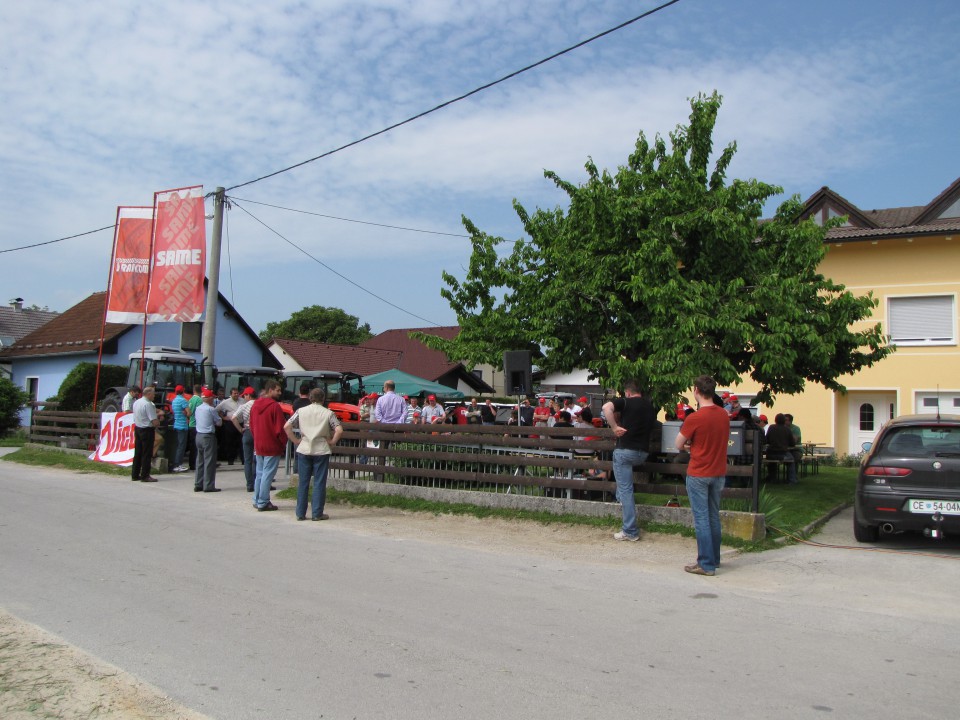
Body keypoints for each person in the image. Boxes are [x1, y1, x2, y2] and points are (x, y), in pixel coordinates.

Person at [675, 375, 731, 576]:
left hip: (699, 471)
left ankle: (705, 563)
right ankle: (714, 559)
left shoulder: (695, 418)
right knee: (713, 516)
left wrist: (691, 445)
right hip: (718, 470)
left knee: (701, 518)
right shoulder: (723, 415)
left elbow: (678, 444)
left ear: (696, 390)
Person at [601, 381, 656, 542]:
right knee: (624, 489)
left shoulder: (625, 401)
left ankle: (630, 530)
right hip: (643, 453)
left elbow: (606, 408)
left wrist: (614, 427)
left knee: (625, 490)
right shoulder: (649, 406)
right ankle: (622, 503)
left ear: (628, 393)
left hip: (625, 451)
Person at [284, 387, 343, 521]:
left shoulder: (301, 411)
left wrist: (296, 440)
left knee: (303, 482)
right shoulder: (328, 413)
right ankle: (317, 513)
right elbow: (339, 429)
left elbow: (287, 426)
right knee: (319, 482)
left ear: (310, 398)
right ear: (323, 399)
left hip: (304, 448)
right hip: (321, 448)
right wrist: (332, 441)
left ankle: (300, 513)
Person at [250, 379, 286, 512]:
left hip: (259, 443)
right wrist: (283, 443)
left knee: (260, 473)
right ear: (270, 390)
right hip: (272, 444)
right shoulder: (274, 406)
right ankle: (263, 501)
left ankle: (256, 498)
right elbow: (280, 429)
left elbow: (252, 425)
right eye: (277, 390)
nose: (279, 393)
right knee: (267, 474)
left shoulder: (255, 405)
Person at [193, 388, 222, 492]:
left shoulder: (198, 408)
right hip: (208, 436)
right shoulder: (211, 409)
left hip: (199, 435)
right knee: (209, 461)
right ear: (209, 399)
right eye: (212, 397)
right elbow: (219, 422)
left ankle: (198, 483)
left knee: (200, 460)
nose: (213, 399)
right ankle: (208, 485)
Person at [131, 386, 159, 483]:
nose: (154, 396)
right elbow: (154, 421)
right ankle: (145, 475)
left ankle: (135, 473)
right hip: (147, 429)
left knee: (138, 452)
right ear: (149, 394)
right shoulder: (148, 404)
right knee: (147, 453)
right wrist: (159, 421)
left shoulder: (137, 402)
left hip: (138, 428)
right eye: (153, 394)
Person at [231, 387, 257, 492]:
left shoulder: (244, 406)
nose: (244, 398)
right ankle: (257, 482)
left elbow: (233, 418)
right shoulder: (259, 404)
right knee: (256, 459)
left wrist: (240, 429)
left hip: (247, 431)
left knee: (247, 460)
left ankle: (249, 484)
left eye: (244, 396)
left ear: (248, 395)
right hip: (257, 432)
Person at [766, 413, 797, 484]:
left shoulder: (771, 427)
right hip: (783, 454)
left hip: (771, 454)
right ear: (784, 421)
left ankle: (772, 478)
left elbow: (766, 440)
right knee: (791, 460)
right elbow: (792, 443)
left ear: (775, 420)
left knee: (771, 464)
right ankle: (792, 480)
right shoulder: (787, 429)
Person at [216, 387, 242, 464]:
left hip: (240, 423)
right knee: (230, 442)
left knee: (240, 442)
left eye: (237, 393)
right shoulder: (226, 402)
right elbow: (217, 409)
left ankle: (242, 459)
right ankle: (230, 460)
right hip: (230, 424)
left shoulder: (242, 401)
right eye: (234, 393)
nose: (236, 395)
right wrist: (223, 417)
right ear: (231, 394)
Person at [170, 384, 189, 472]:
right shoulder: (183, 400)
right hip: (183, 425)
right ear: (183, 391)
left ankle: (175, 463)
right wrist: (186, 413)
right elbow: (189, 413)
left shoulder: (174, 400)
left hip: (176, 424)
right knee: (182, 446)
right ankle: (178, 464)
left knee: (177, 445)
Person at [186, 384, 203, 471]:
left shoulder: (191, 399)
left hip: (191, 424)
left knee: (192, 446)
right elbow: (200, 412)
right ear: (201, 391)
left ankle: (191, 463)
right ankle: (196, 464)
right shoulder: (199, 400)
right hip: (197, 425)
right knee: (197, 447)